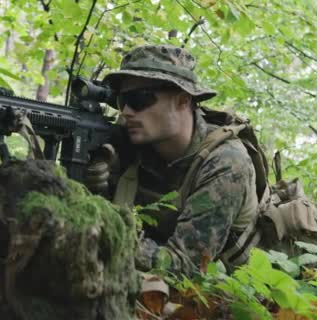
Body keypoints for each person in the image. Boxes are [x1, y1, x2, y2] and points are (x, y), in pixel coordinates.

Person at [86, 44, 261, 275]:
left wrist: (106, 233)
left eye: (139, 99)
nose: (126, 112)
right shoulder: (129, 146)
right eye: (122, 101)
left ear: (182, 100)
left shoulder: (226, 162)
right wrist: (93, 188)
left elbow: (185, 265)